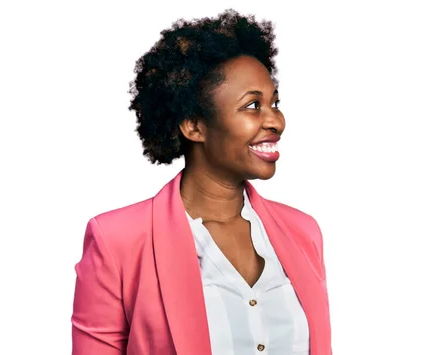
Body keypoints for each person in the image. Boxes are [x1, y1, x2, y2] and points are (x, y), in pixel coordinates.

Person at [71, 9, 332, 355]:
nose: (276, 121)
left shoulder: (303, 233)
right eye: (253, 105)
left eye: (275, 102)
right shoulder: (118, 241)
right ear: (193, 125)